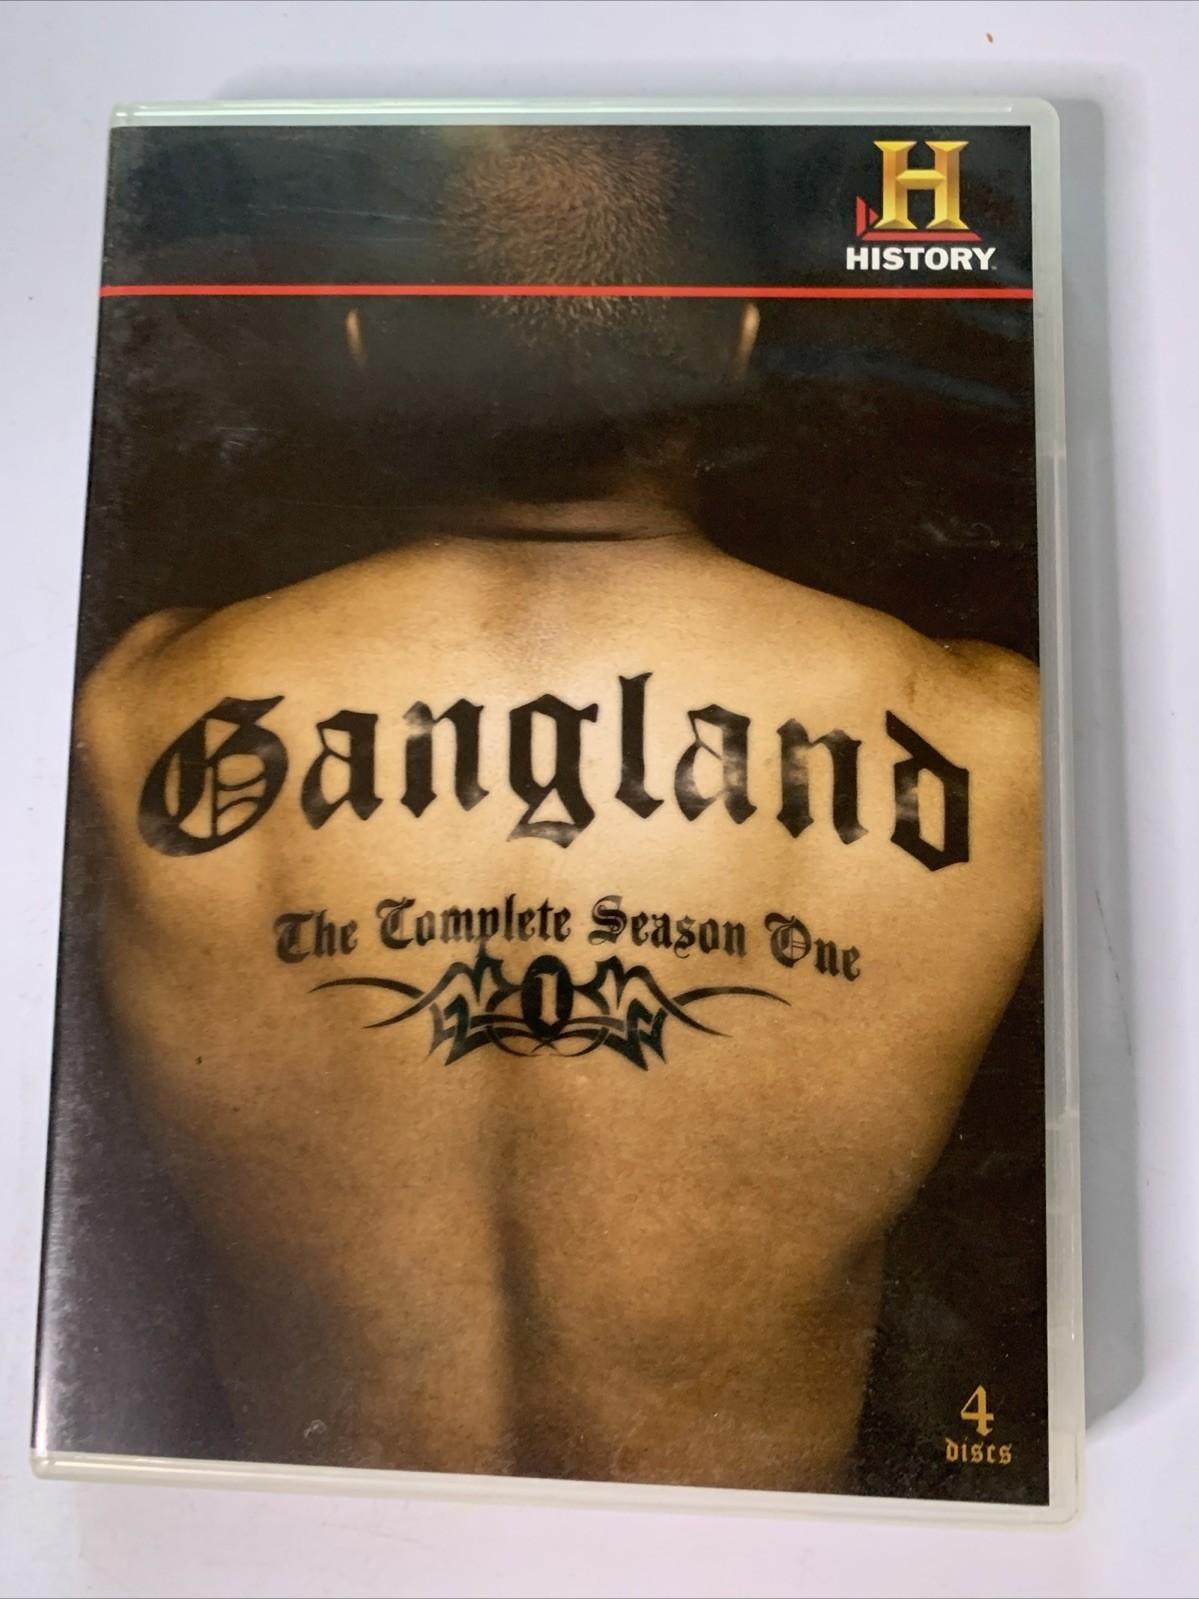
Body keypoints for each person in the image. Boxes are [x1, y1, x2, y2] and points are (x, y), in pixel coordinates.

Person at [76, 129, 1041, 1492]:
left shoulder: (140, 713)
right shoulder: (988, 739)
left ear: (365, 344)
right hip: (753, 1573)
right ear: (742, 343)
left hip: (304, 1559)